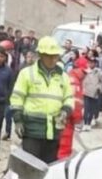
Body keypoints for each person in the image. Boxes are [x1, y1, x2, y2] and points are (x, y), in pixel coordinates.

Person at [10, 36, 74, 164]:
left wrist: (65, 111)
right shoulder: (27, 73)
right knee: (29, 167)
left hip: (54, 131)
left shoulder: (63, 77)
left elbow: (69, 98)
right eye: (48, 56)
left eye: (55, 56)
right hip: (32, 129)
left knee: (48, 169)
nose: (52, 59)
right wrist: (18, 120)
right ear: (40, 55)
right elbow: (17, 98)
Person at [58, 66, 85, 160]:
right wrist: (78, 120)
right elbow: (76, 105)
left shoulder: (66, 78)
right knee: (64, 147)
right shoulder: (76, 84)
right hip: (67, 120)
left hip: (58, 116)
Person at [82, 57, 102, 131]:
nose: (91, 64)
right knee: (86, 108)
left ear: (95, 63)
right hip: (86, 91)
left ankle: (89, 123)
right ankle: (85, 123)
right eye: (90, 62)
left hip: (94, 93)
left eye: (92, 62)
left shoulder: (99, 71)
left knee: (91, 109)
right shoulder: (85, 70)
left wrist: (99, 88)